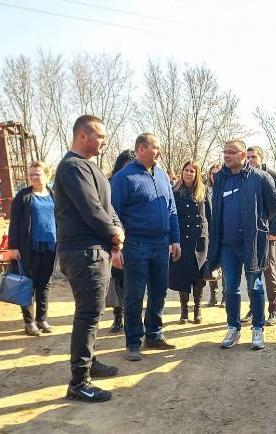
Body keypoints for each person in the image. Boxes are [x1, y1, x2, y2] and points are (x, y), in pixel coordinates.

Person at [54, 114, 122, 402]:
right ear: (83, 135)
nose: (104, 141)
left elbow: (108, 207)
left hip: (96, 250)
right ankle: (79, 382)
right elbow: (91, 209)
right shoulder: (72, 167)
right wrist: (114, 234)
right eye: (100, 136)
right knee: (88, 314)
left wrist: (117, 228)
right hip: (83, 252)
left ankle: (90, 362)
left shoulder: (90, 167)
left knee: (93, 312)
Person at [111, 133, 181, 362]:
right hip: (135, 245)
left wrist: (175, 239)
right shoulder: (124, 178)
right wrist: (116, 248)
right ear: (141, 148)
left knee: (159, 291)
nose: (159, 151)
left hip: (161, 244)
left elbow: (171, 209)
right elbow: (113, 213)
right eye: (156, 147)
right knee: (135, 294)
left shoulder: (161, 175)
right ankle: (133, 342)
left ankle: (154, 335)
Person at [206, 140, 276, 350]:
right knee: (231, 288)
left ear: (242, 155)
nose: (226, 155)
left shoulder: (260, 178)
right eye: (225, 152)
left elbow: (274, 206)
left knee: (255, 286)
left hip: (252, 244)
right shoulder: (220, 178)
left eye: (231, 152)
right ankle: (233, 327)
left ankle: (257, 328)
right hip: (227, 245)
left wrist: (258, 224)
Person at [8, 160, 57, 337]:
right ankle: (29, 322)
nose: (34, 177)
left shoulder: (53, 195)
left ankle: (42, 319)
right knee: (28, 283)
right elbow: (14, 222)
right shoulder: (23, 196)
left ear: (47, 175)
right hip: (29, 247)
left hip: (50, 246)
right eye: (31, 175)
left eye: (37, 174)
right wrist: (13, 247)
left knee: (44, 284)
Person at [242, 146, 276, 326]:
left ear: (261, 157)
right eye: (248, 157)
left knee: (269, 271)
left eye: (253, 157)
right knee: (252, 271)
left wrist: (274, 232)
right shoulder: (245, 175)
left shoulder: (273, 176)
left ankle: (273, 309)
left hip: (267, 233)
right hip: (250, 233)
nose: (250, 160)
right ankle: (254, 309)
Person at [169, 159, 211, 324]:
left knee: (199, 277)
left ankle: (197, 308)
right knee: (183, 275)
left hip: (200, 239)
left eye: (192, 171)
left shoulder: (203, 191)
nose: (188, 173)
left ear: (197, 174)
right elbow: (171, 216)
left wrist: (212, 240)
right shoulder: (175, 191)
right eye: (186, 170)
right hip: (182, 239)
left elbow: (210, 216)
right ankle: (184, 310)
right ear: (182, 172)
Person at [107, 150, 136, 333]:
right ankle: (118, 316)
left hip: (134, 237)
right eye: (126, 165)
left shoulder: (139, 182)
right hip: (115, 237)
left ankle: (131, 315)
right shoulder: (109, 184)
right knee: (116, 278)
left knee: (132, 279)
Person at [205, 163, 225, 307]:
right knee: (211, 263)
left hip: (224, 231)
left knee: (225, 264)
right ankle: (213, 295)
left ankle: (226, 296)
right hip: (210, 232)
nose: (215, 176)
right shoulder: (206, 190)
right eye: (213, 173)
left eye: (218, 173)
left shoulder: (226, 189)